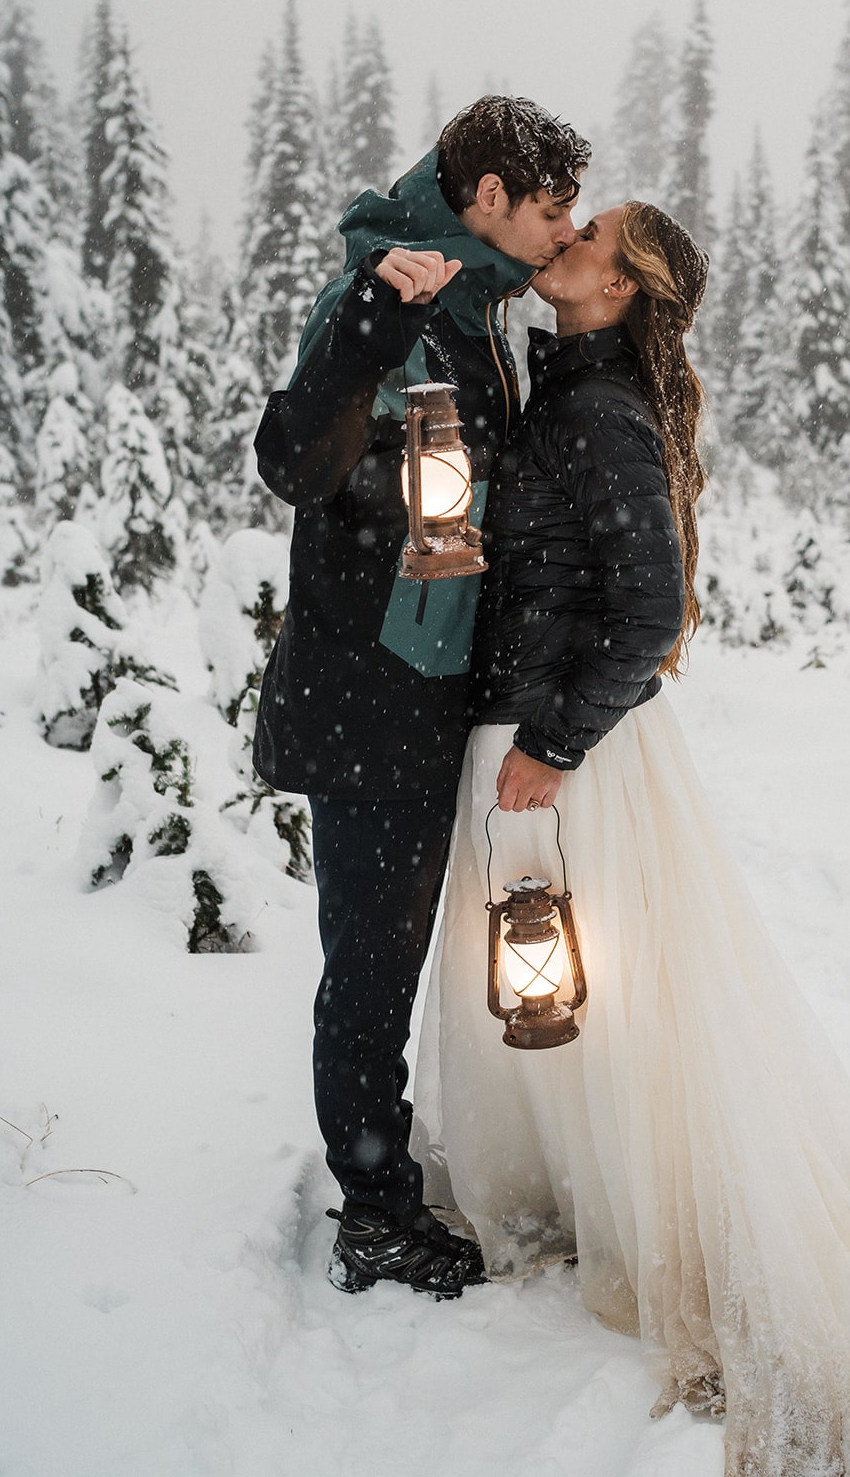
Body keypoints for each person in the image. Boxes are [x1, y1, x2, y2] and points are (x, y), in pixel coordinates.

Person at [412, 202, 850, 1475]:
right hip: (533, 743)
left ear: (619, 286)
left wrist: (547, 748)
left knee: (607, 1001)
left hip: (565, 759)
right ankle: (576, 1190)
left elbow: (649, 608)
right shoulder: (561, 383)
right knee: (563, 993)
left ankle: (660, 1222)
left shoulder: (601, 410)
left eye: (590, 234)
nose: (562, 238)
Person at [252, 96, 591, 1298]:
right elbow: (294, 461)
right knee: (370, 970)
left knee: (430, 959)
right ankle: (376, 1213)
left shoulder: (484, 303)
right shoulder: (384, 293)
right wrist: (365, 317)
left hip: (443, 692)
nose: (566, 231)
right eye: (551, 210)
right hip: (370, 698)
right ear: (488, 194)